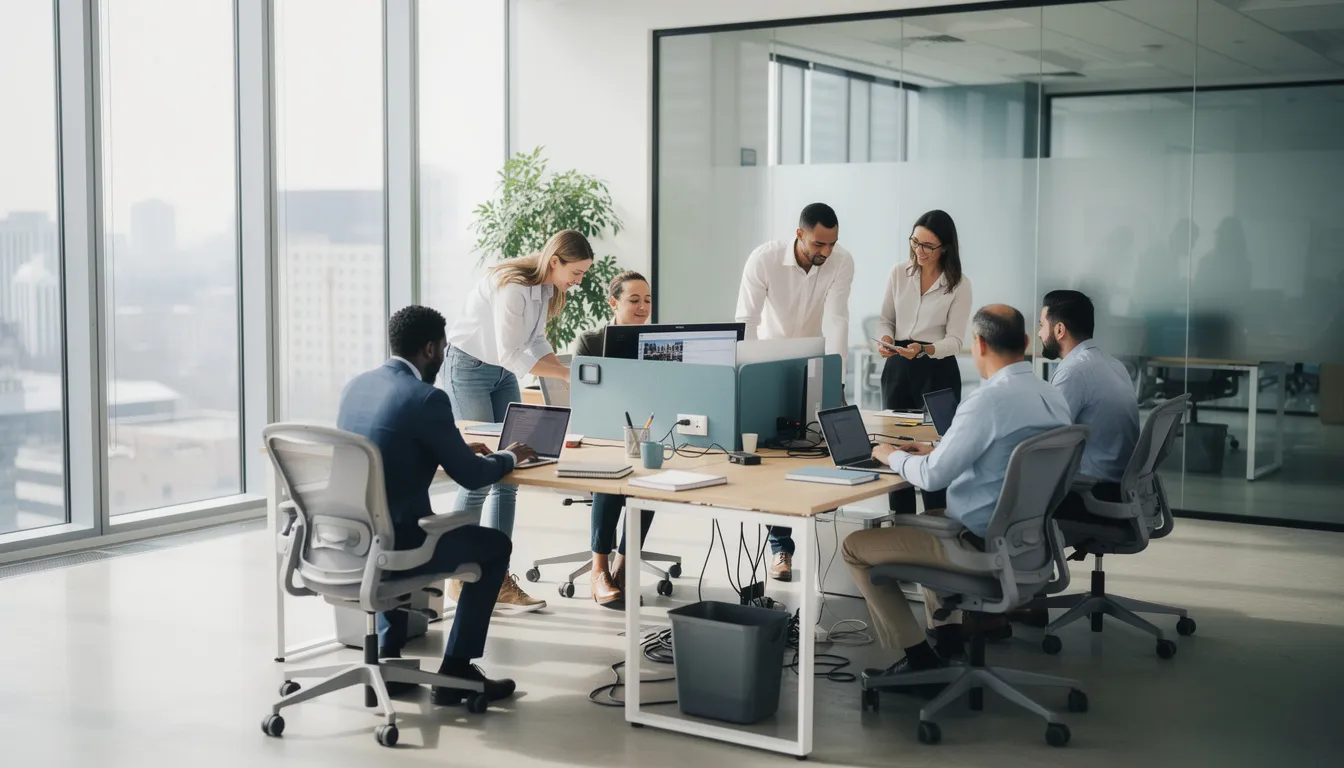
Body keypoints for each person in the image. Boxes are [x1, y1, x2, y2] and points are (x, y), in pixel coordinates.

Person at [841, 305, 1070, 682]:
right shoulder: (1051, 395)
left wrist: (890, 454)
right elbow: (1004, 452)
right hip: (1029, 542)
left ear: (978, 344)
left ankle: (918, 658)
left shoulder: (987, 401)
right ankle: (946, 637)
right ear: (1026, 342)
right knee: (931, 520)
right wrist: (939, 449)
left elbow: (930, 478)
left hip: (977, 546)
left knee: (855, 546)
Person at [336, 305, 538, 705]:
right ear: (430, 349)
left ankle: (389, 661)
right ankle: (456, 670)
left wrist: (451, 447)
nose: (445, 357)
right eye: (444, 348)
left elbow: (390, 443)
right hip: (396, 545)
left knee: (391, 523)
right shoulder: (428, 398)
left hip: (348, 540)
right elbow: (473, 477)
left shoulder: (355, 385)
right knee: (494, 547)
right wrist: (511, 456)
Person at [446, 229, 594, 611]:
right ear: (555, 260)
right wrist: (563, 376)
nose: (577, 283)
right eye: (575, 273)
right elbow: (512, 353)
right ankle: (459, 575)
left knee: (510, 471)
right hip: (469, 369)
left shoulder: (546, 290)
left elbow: (537, 342)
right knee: (479, 472)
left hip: (500, 373)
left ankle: (497, 578)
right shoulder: (512, 286)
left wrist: (568, 368)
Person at [735, 202, 855, 582]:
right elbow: (746, 320)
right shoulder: (764, 259)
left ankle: (802, 536)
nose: (826, 252)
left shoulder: (841, 262)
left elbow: (837, 319)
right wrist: (747, 377)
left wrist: (835, 376)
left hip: (812, 364)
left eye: (832, 244)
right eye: (820, 243)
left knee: (807, 452)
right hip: (766, 365)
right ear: (800, 233)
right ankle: (781, 550)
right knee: (773, 455)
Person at [876, 209, 973, 517]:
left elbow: (956, 340)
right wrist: (887, 339)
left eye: (927, 246)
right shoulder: (898, 272)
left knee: (937, 450)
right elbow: (886, 319)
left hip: (937, 368)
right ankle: (901, 526)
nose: (919, 251)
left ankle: (936, 524)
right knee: (897, 446)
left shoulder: (958, 284)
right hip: (898, 368)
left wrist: (925, 349)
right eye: (915, 242)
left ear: (945, 247)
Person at [574, 271, 656, 607]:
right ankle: (599, 569)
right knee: (612, 475)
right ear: (614, 302)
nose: (642, 307)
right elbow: (584, 398)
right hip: (601, 437)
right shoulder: (590, 341)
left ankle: (624, 565)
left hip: (643, 432)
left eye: (647, 300)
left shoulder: (656, 342)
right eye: (634, 300)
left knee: (654, 479)